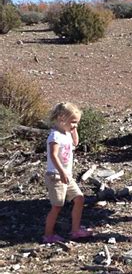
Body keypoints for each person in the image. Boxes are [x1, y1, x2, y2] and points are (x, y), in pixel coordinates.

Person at [43, 102, 91, 243]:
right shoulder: (55, 136)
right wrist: (61, 172)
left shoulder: (67, 133)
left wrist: (73, 129)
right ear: (61, 118)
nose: (74, 125)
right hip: (56, 176)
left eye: (77, 123)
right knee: (57, 206)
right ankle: (48, 234)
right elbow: (53, 155)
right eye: (73, 122)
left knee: (79, 198)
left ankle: (75, 230)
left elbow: (76, 143)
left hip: (66, 175)